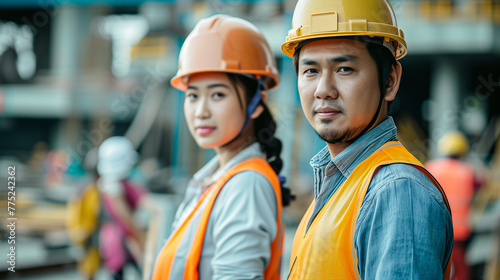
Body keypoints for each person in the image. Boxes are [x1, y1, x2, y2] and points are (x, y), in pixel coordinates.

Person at [280, 0, 453, 279]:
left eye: (344, 69)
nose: (323, 90)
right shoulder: (335, 188)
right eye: (311, 70)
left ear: (389, 82)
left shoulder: (397, 192)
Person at [152, 14, 291, 280]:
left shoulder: (246, 184)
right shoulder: (214, 180)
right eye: (193, 95)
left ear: (257, 102)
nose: (201, 111)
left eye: (217, 94)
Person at [426, 131, 475, 280]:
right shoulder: (467, 171)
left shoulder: (430, 168)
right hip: (460, 231)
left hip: (434, 227)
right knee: (460, 271)